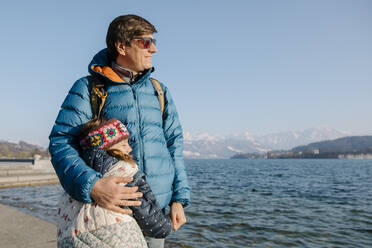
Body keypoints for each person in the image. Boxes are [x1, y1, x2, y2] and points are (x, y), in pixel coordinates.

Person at [49, 14, 190, 247]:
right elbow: (61, 142)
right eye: (146, 42)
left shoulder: (160, 91)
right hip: (111, 214)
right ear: (121, 46)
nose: (153, 49)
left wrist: (179, 199)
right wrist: (92, 186)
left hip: (155, 212)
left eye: (154, 42)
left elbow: (174, 145)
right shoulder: (90, 88)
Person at [57, 118, 172, 247]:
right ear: (106, 148)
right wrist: (167, 226)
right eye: (123, 145)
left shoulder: (76, 177)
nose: (129, 149)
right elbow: (151, 218)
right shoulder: (125, 172)